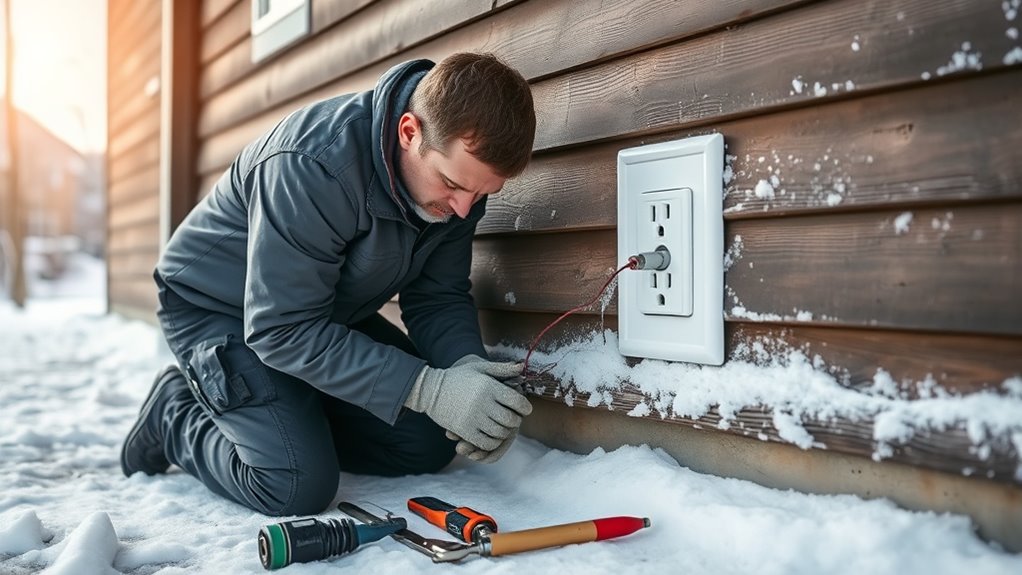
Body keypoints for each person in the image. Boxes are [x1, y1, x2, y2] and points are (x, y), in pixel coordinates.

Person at [120, 53, 537, 517]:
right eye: (453, 185)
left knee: (426, 443)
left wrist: (465, 372)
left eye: (481, 195)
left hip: (321, 315)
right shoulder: (313, 165)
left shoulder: (455, 188)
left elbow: (436, 296)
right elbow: (281, 328)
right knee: (294, 485)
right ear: (408, 132)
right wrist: (428, 388)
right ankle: (173, 414)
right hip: (219, 308)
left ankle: (288, 417)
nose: (464, 210)